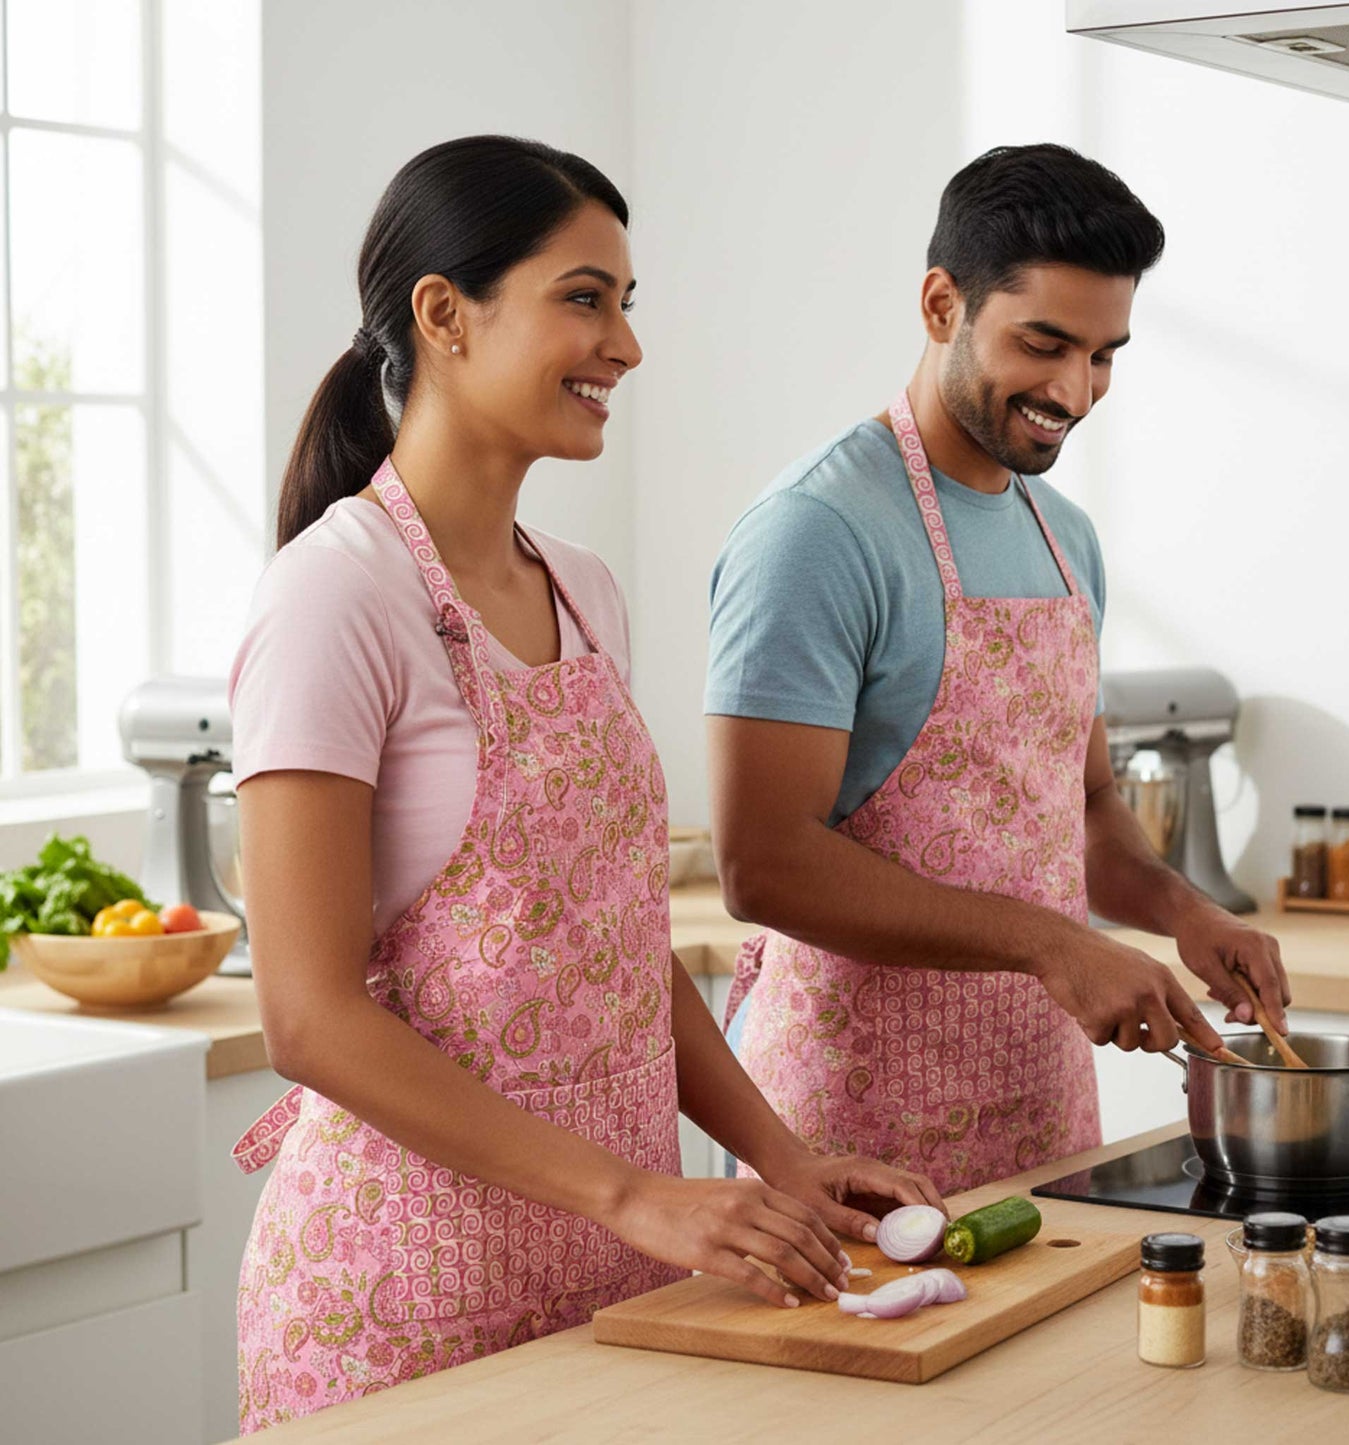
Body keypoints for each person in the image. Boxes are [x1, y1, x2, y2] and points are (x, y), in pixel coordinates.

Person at [229, 136, 942, 1434]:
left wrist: (777, 1157)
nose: (625, 344)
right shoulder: (335, 597)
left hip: (619, 1275)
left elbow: (613, 944)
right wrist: (631, 1191)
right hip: (401, 1297)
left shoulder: (584, 590)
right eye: (584, 296)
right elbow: (309, 1019)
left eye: (626, 303)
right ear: (445, 314)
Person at [708, 143, 1291, 1195]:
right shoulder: (817, 531)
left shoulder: (1065, 538)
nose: (1073, 389)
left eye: (1104, 353)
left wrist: (1182, 908)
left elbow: (1087, 805)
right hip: (848, 1132)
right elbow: (760, 863)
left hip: (1041, 1116)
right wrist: (1048, 945)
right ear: (941, 304)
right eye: (1043, 343)